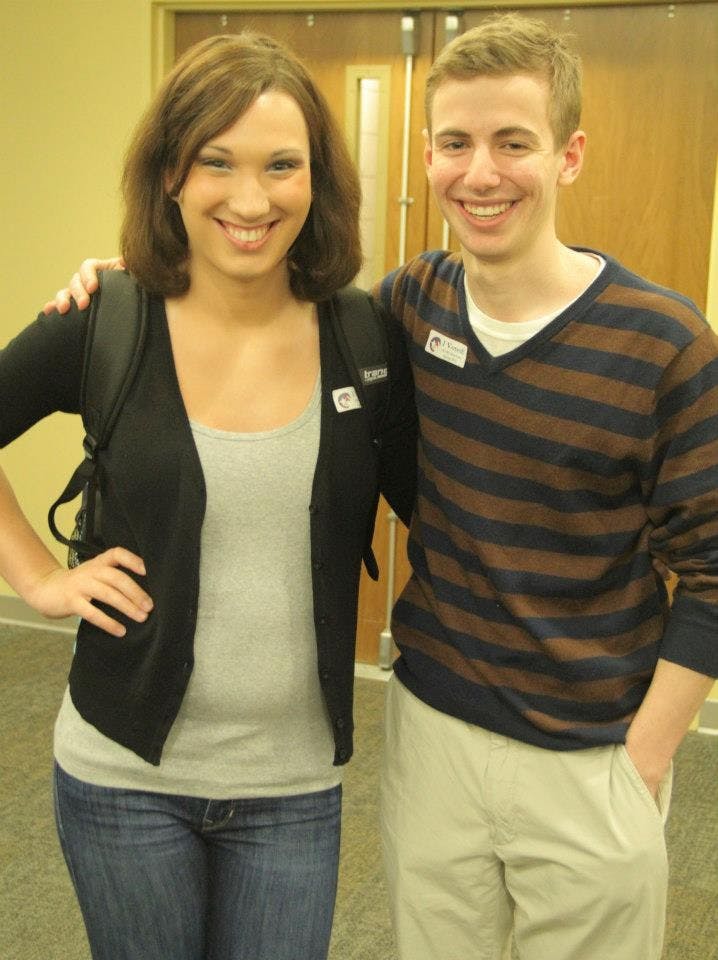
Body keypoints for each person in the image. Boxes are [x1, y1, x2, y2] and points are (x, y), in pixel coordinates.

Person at [48, 13, 718, 960]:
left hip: (592, 754)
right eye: (456, 143)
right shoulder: (400, 312)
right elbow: (249, 286)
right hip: (433, 734)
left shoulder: (664, 342)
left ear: (568, 156)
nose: (481, 173)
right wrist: (128, 278)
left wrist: (643, 760)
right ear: (429, 156)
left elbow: (715, 570)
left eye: (512, 143)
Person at [0, 32, 416, 960]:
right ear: (171, 177)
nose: (251, 198)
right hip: (121, 776)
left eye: (282, 165)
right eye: (215, 162)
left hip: (294, 788)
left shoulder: (364, 337)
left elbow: (448, 503)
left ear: (318, 181)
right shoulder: (107, 319)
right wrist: (38, 580)